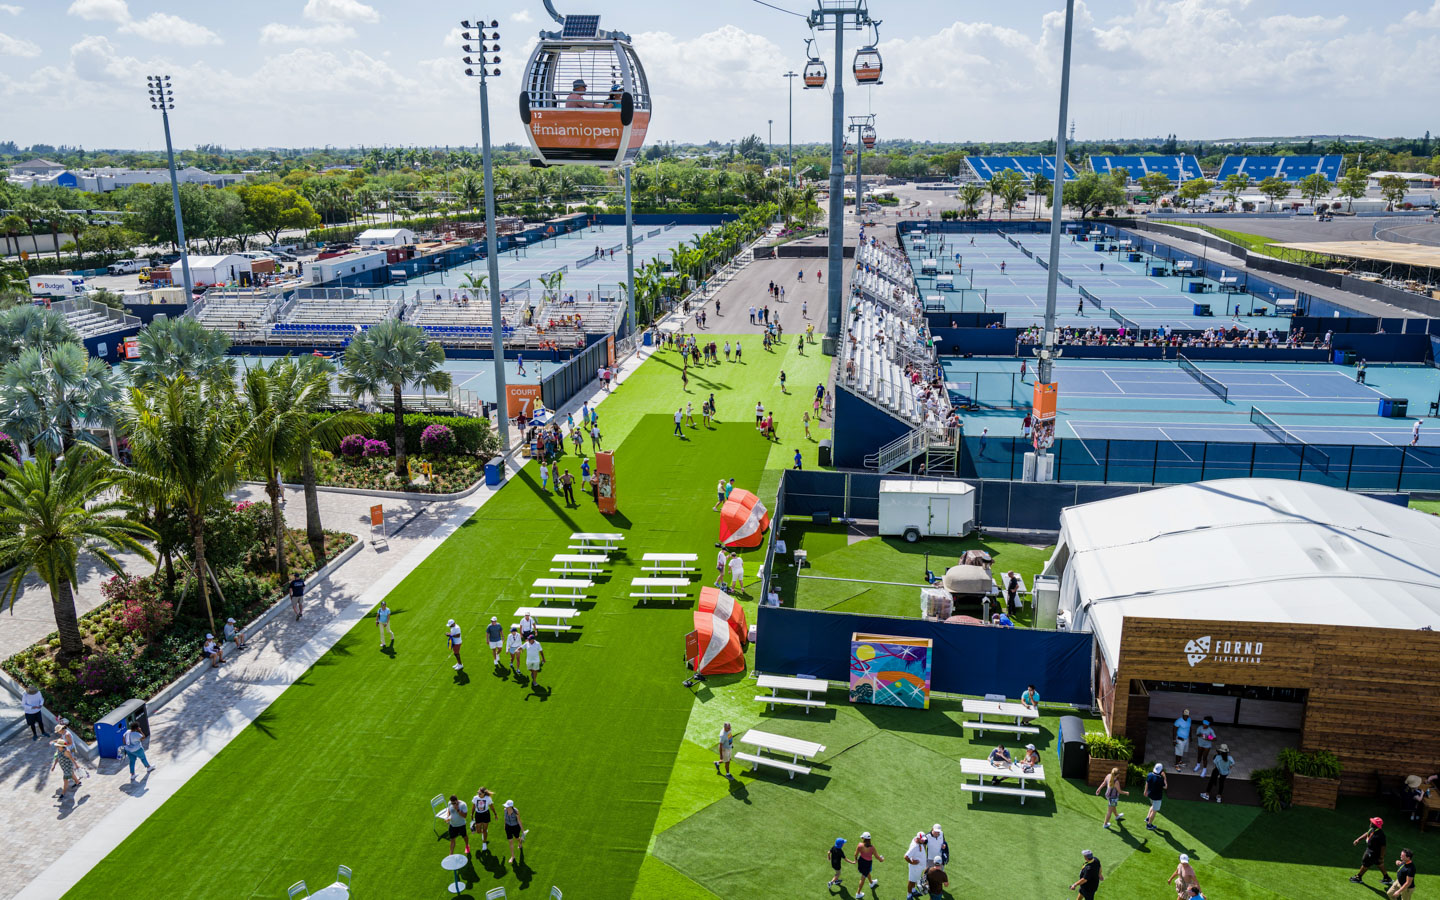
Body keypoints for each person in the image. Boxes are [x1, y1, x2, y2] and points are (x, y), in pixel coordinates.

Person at [1352, 816, 1391, 885]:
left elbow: (1383, 847)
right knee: (1379, 864)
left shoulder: (1381, 835)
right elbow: (1367, 833)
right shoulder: (1372, 829)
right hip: (1371, 850)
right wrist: (1358, 839)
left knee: (1365, 863)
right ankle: (1387, 878)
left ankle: (1358, 877)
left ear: (1375, 824)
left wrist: (1381, 857)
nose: (1370, 822)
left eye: (1372, 822)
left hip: (1373, 852)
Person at [855, 832, 883, 899]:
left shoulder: (859, 845)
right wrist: (881, 859)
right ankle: (858, 893)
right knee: (863, 877)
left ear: (863, 838)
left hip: (861, 861)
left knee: (867, 872)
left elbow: (855, 854)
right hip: (867, 864)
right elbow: (877, 857)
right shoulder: (872, 848)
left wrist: (856, 860)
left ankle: (871, 883)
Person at [903, 831, 929, 900]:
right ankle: (909, 895)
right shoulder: (914, 846)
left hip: (918, 867)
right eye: (922, 839)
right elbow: (906, 856)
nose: (923, 841)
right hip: (915, 868)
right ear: (918, 838)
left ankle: (913, 891)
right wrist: (912, 862)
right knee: (911, 881)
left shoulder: (917, 840)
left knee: (914, 880)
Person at [502, 799, 528, 864]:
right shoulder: (505, 810)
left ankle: (520, 842)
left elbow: (519, 821)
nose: (506, 807)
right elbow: (505, 818)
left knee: (517, 838)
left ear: (511, 806)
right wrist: (505, 825)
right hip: (508, 827)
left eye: (507, 806)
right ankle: (512, 856)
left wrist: (523, 831)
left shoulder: (516, 812)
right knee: (510, 842)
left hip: (515, 827)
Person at [471, 787, 494, 853]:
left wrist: (495, 814)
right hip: (478, 814)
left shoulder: (488, 798)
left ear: (484, 793)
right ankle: (482, 831)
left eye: (480, 793)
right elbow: (473, 806)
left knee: (484, 830)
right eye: (478, 793)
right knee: (478, 831)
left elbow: (491, 806)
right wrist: (472, 814)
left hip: (486, 814)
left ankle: (484, 843)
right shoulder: (475, 798)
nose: (478, 794)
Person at [1145, 763, 1168, 830]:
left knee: (1152, 806)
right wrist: (1165, 778)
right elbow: (1165, 787)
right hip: (1157, 797)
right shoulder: (1160, 779)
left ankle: (1147, 818)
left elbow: (1147, 783)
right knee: (1154, 811)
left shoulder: (1149, 775)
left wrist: (1145, 791)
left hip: (1150, 795)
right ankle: (1149, 825)